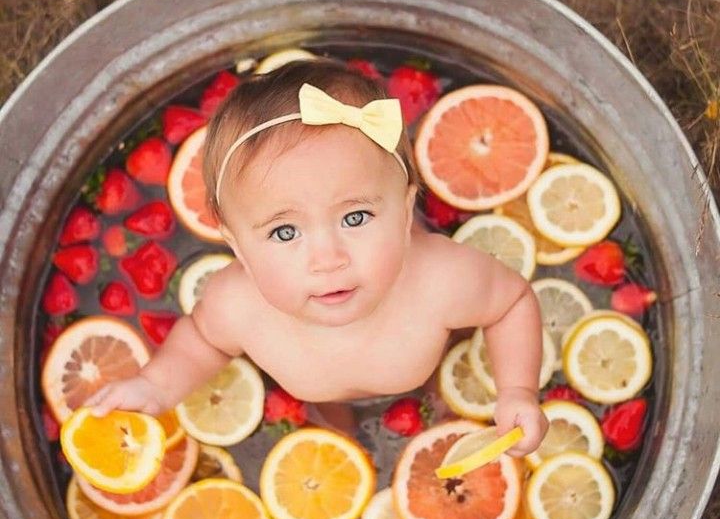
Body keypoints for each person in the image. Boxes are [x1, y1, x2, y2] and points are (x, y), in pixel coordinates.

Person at [86, 58, 548, 456]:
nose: (327, 259)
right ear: (237, 246)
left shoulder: (441, 279)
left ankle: (426, 399)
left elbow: (511, 304)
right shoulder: (238, 306)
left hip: (425, 366)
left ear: (406, 211)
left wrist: (516, 390)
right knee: (330, 421)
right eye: (285, 231)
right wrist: (156, 386)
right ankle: (337, 425)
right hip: (319, 393)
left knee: (440, 395)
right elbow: (202, 343)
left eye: (355, 218)